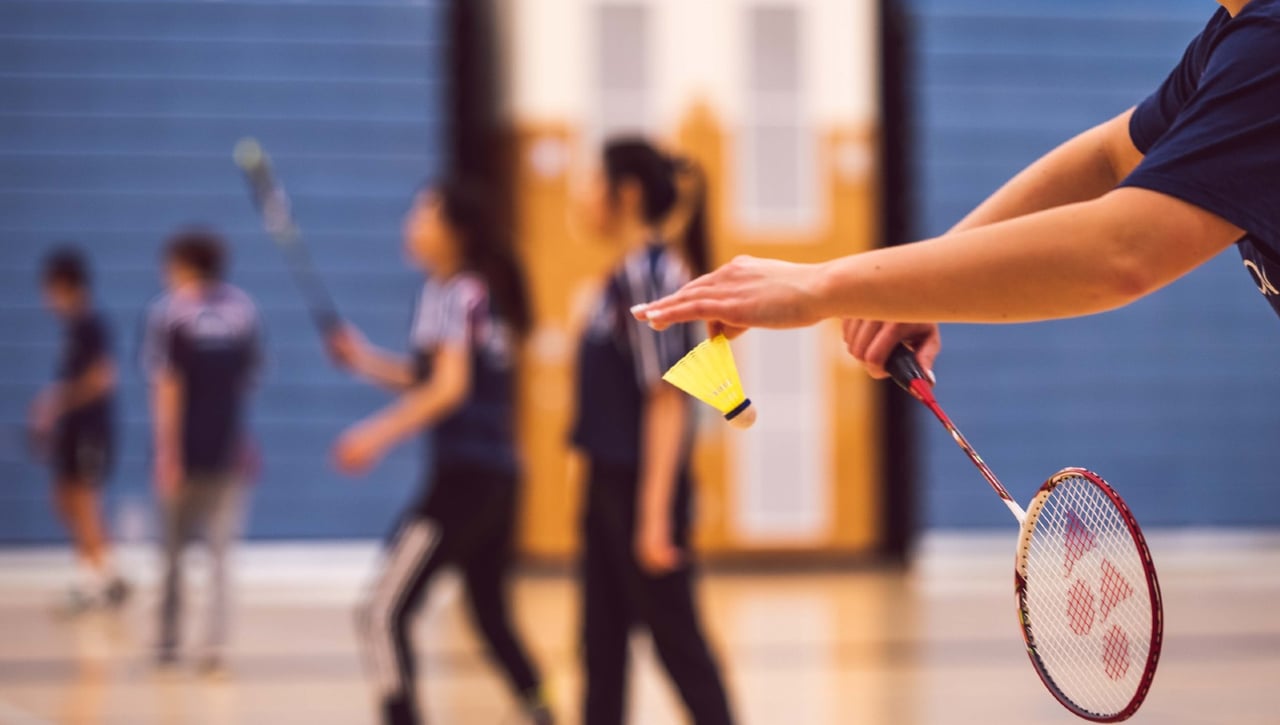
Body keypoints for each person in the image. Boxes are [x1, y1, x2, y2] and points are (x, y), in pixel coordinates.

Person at [633, 0, 1280, 379]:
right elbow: (1111, 156)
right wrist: (912, 285)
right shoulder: (1233, 36)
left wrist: (820, 284)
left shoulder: (1270, 45)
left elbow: (1124, 250)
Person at [328, 180, 551, 725]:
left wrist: (373, 436)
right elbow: (430, 377)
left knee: (380, 611)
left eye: (422, 215)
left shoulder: (457, 293)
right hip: (499, 479)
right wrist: (363, 360)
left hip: (466, 483)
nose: (411, 225)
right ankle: (542, 710)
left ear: (455, 233)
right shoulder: (470, 292)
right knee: (491, 616)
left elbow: (448, 389)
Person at [570, 138, 734, 725]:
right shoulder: (624, 274)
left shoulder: (651, 272)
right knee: (602, 648)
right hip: (609, 485)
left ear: (627, 193)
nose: (582, 195)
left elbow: (666, 398)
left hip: (639, 490)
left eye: (593, 181)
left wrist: (653, 516)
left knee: (678, 646)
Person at [142, 228, 261, 675]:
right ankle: (214, 649)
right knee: (219, 556)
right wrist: (245, 441)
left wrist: (166, 453)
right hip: (229, 450)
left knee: (172, 554)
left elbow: (166, 387)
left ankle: (168, 643)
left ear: (184, 265)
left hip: (188, 454)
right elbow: (245, 386)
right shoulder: (243, 311)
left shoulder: (170, 313)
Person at [31, 248, 129, 614]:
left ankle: (94, 584)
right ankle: (109, 575)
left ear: (65, 286)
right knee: (66, 500)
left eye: (49, 289)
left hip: (92, 430)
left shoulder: (91, 325)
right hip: (73, 431)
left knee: (86, 503)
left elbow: (103, 377)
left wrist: (57, 401)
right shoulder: (72, 329)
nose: (46, 298)